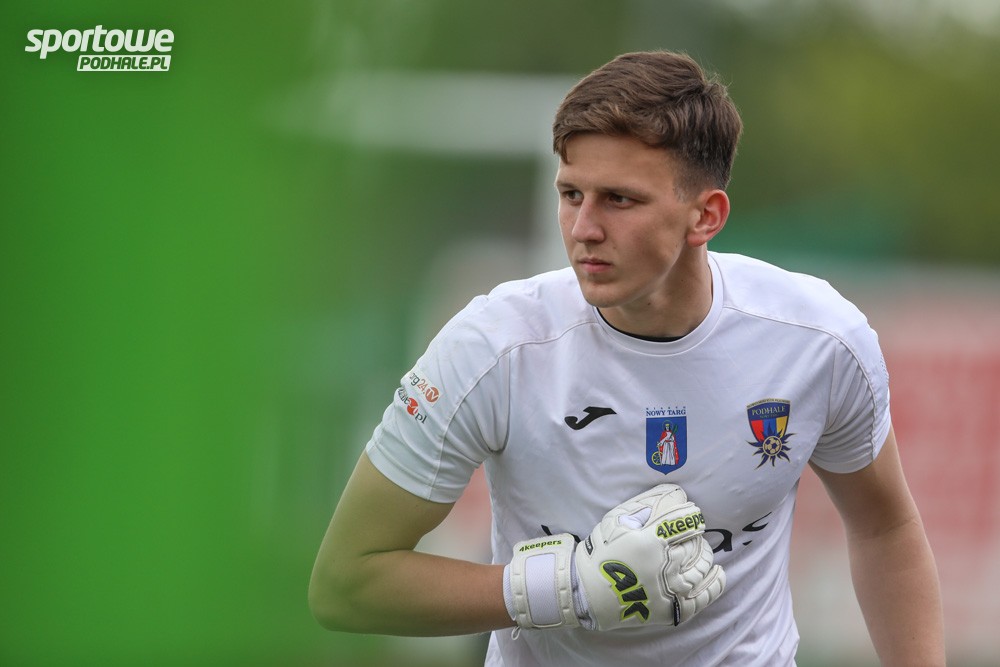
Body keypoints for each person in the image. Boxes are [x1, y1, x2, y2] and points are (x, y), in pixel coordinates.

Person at [309, 50, 945, 666]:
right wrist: (569, 586)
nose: (583, 228)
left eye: (619, 199)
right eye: (571, 194)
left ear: (706, 216)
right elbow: (345, 584)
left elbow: (884, 529)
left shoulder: (820, 339)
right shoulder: (492, 346)